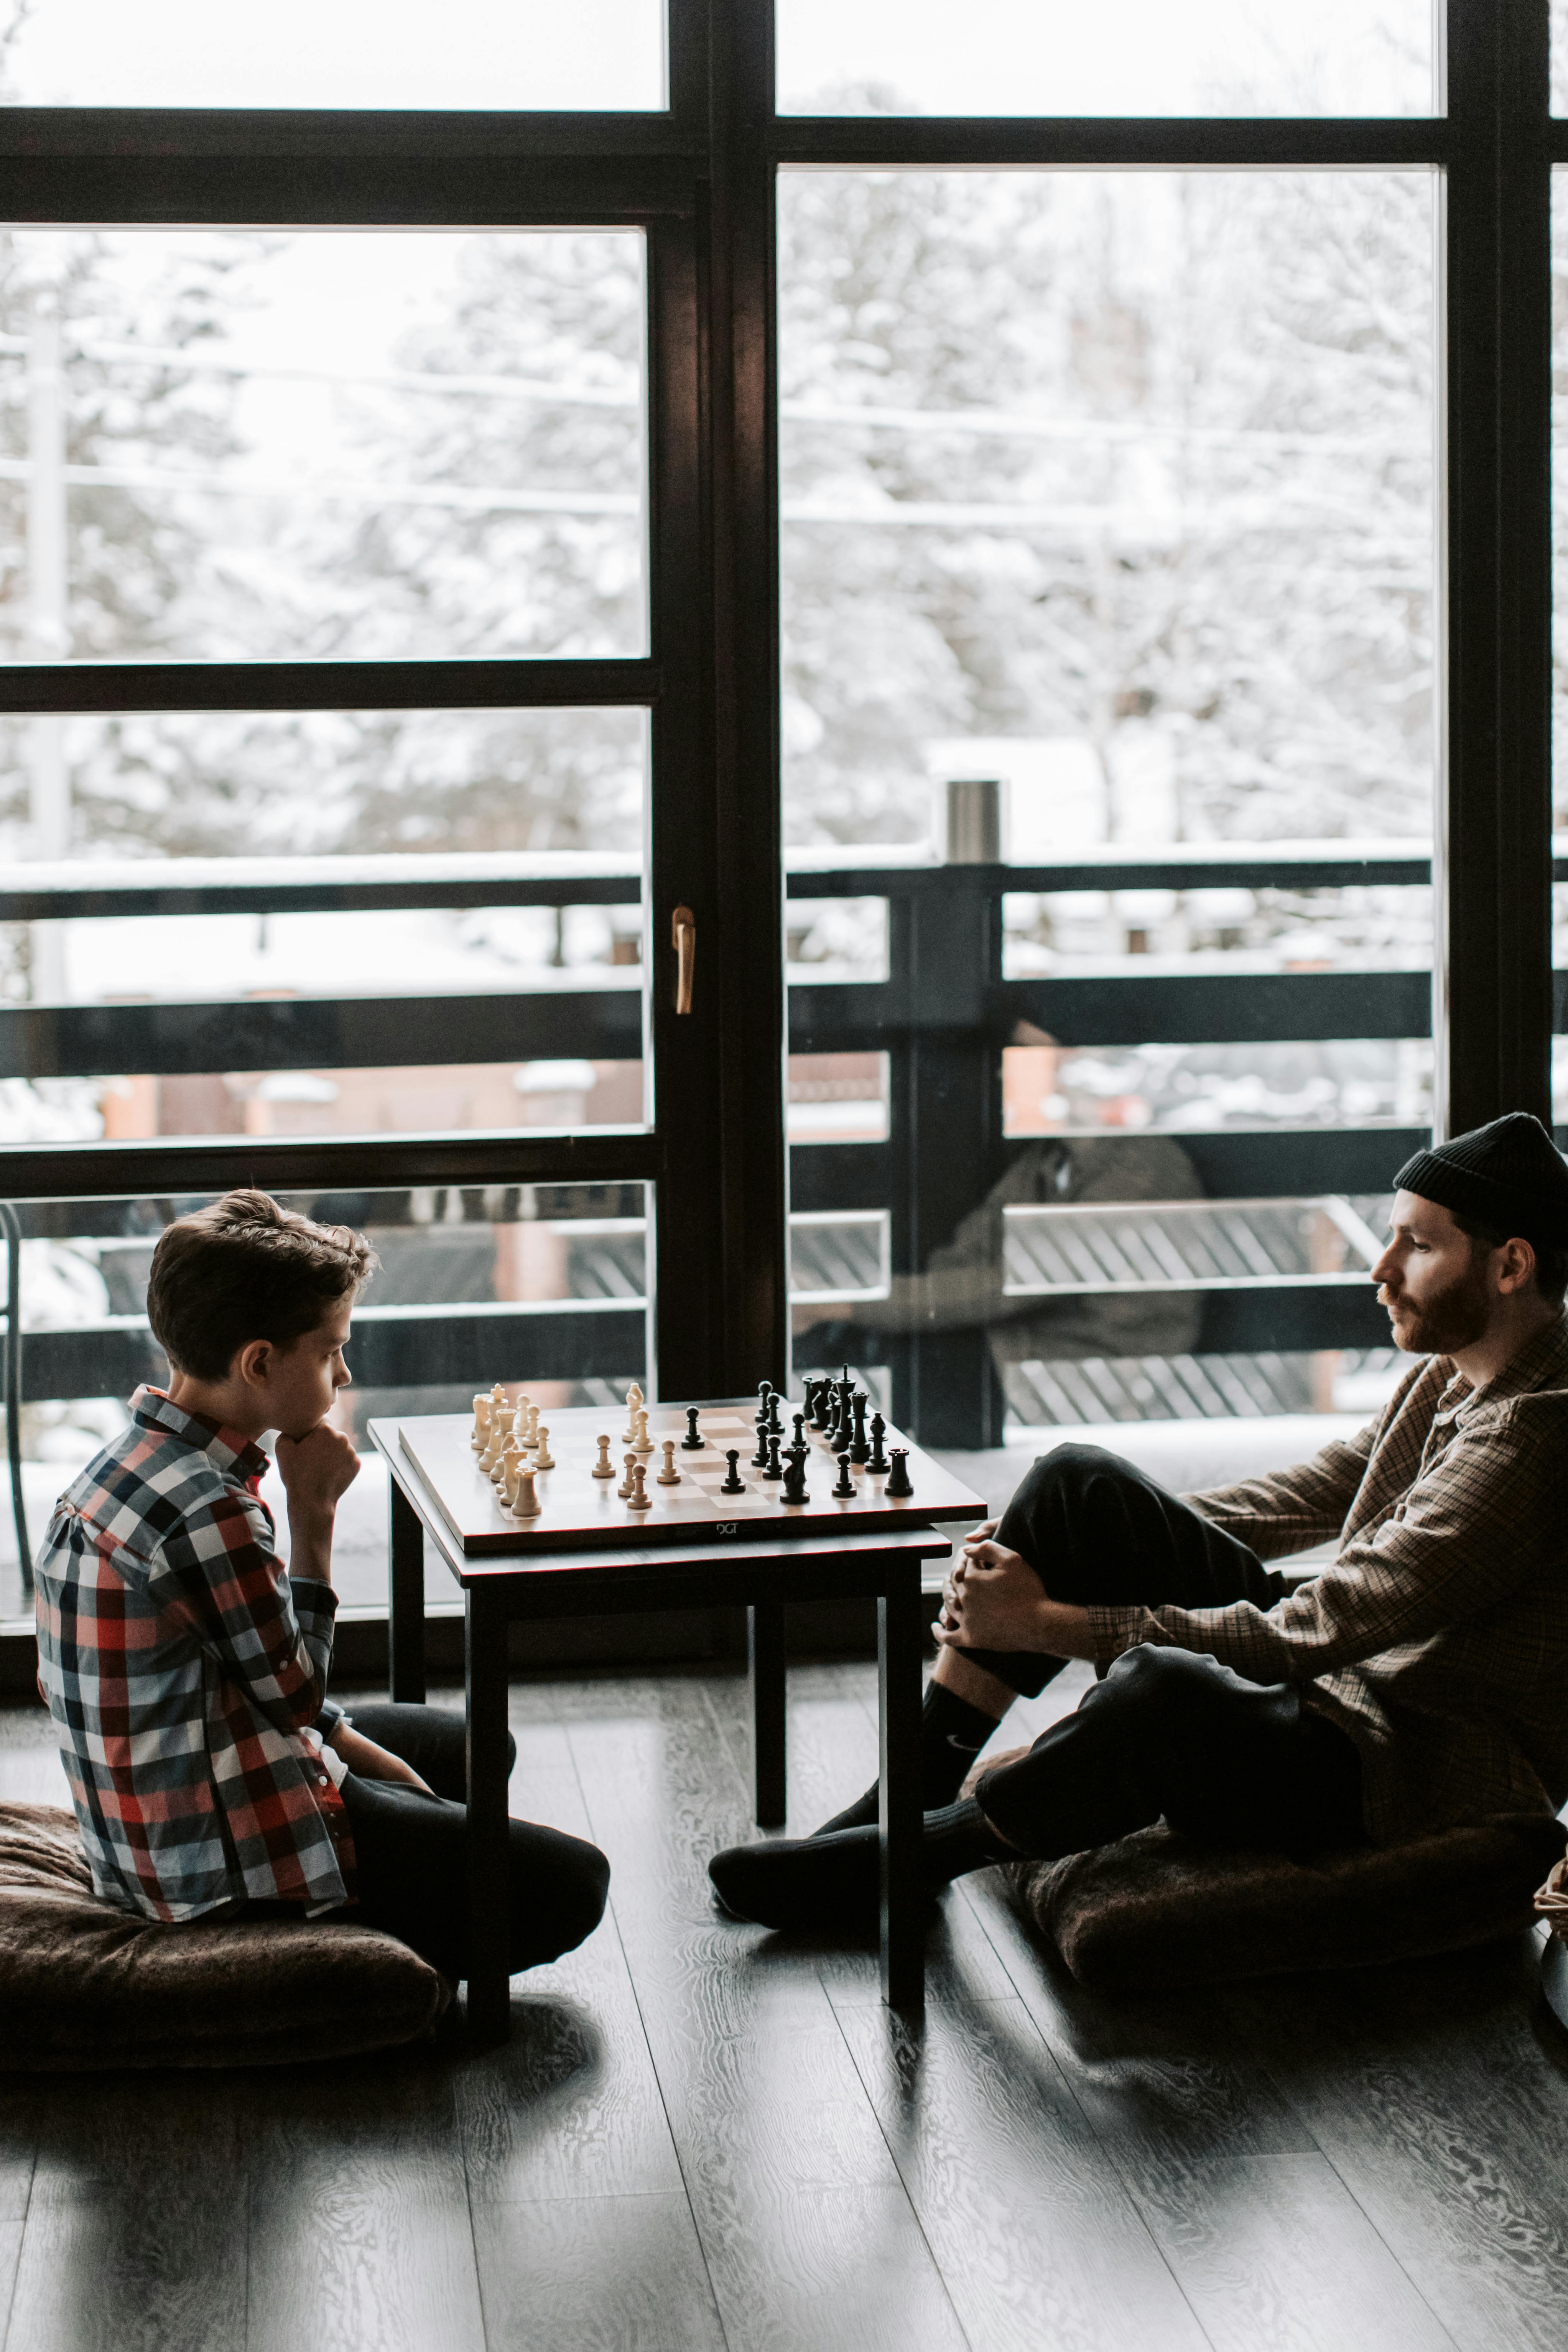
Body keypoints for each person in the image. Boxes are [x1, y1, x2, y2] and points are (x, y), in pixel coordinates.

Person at [709, 1112, 1568, 1934]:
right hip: (1344, 1685)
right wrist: (1096, 1545)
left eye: (1416, 1246)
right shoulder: (1454, 1371)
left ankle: (916, 1856)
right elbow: (1317, 1490)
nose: (1378, 1268)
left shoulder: (1535, 1434)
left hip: (1403, 1760)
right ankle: (910, 1791)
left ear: (1508, 1266)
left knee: (1161, 1687)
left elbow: (1317, 1627)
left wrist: (1050, 1622)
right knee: (1075, 1483)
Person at [34, 1189, 609, 1987]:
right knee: (577, 1883)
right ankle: (346, 1930)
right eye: (331, 1349)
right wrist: (313, 1517)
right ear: (260, 1362)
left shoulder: (119, 1468)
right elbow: (296, 1697)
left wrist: (353, 1750)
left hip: (168, 1803)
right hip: (214, 1862)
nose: (345, 1371)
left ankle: (410, 1866)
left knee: (473, 1751)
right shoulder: (212, 1509)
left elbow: (247, 1676)